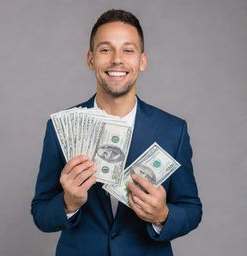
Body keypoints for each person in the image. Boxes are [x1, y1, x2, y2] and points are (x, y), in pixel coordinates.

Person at [31, 9, 202, 256]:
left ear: (142, 61)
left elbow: (191, 209)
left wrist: (162, 215)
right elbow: (41, 213)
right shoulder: (61, 127)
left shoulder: (173, 130)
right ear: (91, 59)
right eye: (105, 49)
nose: (117, 60)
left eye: (128, 50)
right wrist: (69, 203)